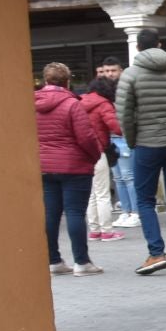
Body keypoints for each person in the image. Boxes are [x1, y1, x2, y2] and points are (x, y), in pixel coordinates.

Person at [116, 28, 166, 275]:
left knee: (145, 199)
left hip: (146, 143)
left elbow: (124, 115)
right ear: (160, 45)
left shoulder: (130, 75)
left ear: (138, 48)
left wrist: (132, 141)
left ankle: (155, 253)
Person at [35, 63, 104, 276]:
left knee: (51, 214)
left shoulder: (32, 103)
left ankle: (53, 260)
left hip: (45, 166)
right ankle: (81, 262)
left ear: (46, 81)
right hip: (74, 166)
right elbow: (86, 137)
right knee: (75, 212)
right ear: (67, 81)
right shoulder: (72, 104)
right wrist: (94, 156)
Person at [79, 75, 123, 243]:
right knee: (103, 193)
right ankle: (107, 231)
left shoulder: (79, 101)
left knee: (91, 194)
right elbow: (116, 128)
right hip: (98, 151)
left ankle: (94, 230)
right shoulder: (104, 104)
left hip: (82, 153)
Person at [97, 57, 140, 227]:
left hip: (124, 136)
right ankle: (126, 211)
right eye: (106, 71)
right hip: (111, 137)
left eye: (113, 70)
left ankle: (135, 213)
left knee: (129, 177)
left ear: (121, 70)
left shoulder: (127, 87)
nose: (110, 74)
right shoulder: (102, 89)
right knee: (119, 178)